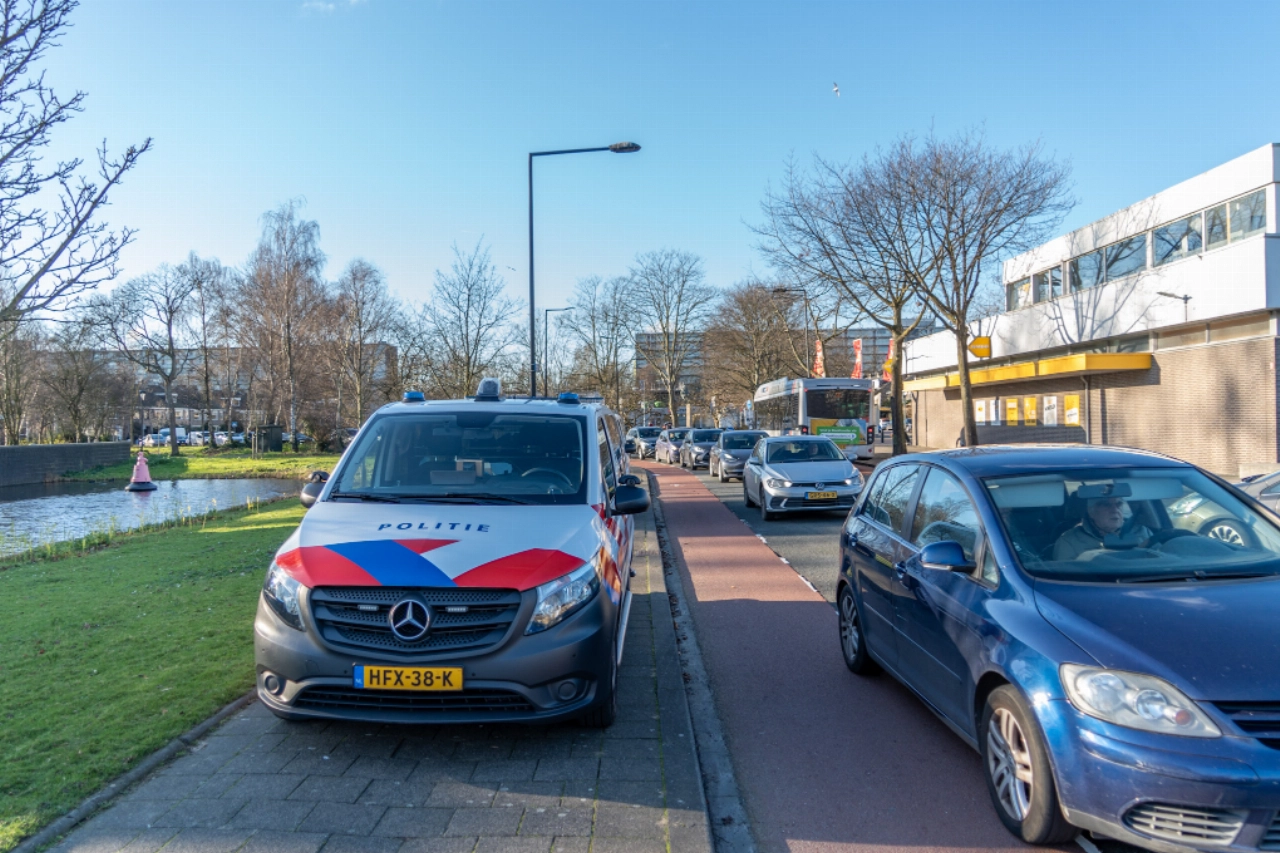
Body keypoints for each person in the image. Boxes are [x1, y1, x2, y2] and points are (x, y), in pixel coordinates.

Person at [1053, 495, 1153, 560]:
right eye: (1106, 505)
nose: (1115, 510)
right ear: (1091, 512)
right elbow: (1066, 579)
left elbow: (1161, 558)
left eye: (1118, 504)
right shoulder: (1069, 542)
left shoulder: (1143, 532)